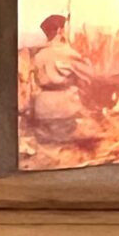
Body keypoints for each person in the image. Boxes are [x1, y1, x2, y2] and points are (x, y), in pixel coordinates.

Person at [25, 14, 93, 144]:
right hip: (64, 110)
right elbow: (90, 74)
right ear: (60, 31)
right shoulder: (66, 53)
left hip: (41, 111)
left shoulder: (38, 55)